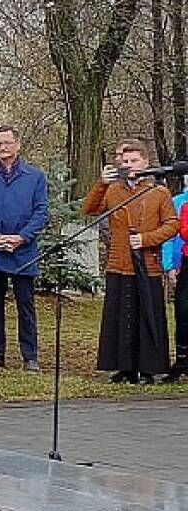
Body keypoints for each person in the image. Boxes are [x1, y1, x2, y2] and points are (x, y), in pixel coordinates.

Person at [84, 139, 179, 385]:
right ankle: (123, 366)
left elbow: (172, 224)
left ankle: (147, 368)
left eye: (134, 160)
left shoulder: (158, 192)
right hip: (119, 262)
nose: (129, 165)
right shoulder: (114, 190)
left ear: (145, 162)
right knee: (120, 315)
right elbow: (90, 209)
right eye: (125, 161)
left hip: (147, 263)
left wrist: (146, 239)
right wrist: (101, 184)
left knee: (146, 314)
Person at [0, 126, 49, 371]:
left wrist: (22, 237)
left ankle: (30, 357)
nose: (3, 148)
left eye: (7, 143)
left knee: (26, 306)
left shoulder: (35, 177)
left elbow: (41, 212)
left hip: (23, 251)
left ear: (18, 145)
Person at [166, 196, 188, 383]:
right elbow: (181, 232)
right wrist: (169, 265)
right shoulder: (183, 205)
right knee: (182, 311)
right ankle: (182, 360)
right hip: (185, 264)